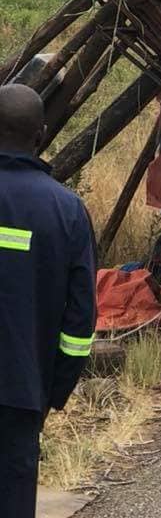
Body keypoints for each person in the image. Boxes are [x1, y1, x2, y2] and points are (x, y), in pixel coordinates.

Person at [0, 84, 96, 518]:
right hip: (22, 393)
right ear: (40, 134)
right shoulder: (67, 210)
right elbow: (80, 320)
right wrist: (55, 389)